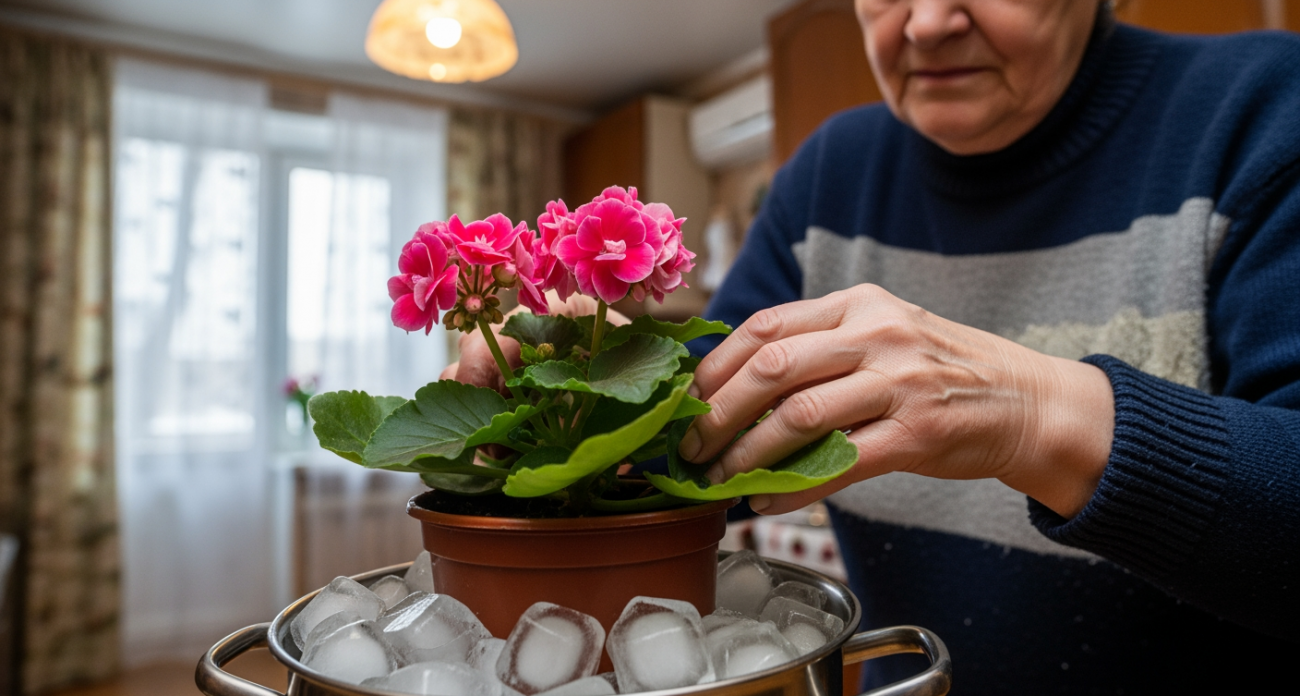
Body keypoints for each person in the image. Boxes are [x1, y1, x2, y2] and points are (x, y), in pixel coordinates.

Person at [448, 1, 1300, 691]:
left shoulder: (1264, 109)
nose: (925, 22)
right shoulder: (827, 173)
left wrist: (1033, 413)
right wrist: (609, 395)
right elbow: (708, 449)